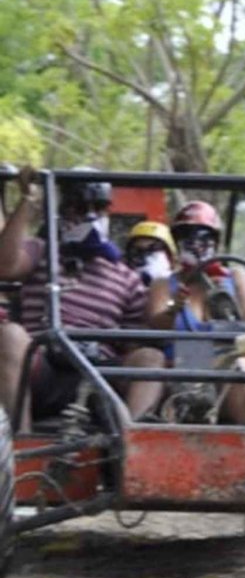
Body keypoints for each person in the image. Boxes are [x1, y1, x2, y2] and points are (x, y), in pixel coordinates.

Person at [0, 175, 167, 427]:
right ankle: (21, 446)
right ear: (63, 211)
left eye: (98, 208)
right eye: (79, 207)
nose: (90, 216)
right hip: (42, 368)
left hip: (101, 375)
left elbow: (134, 343)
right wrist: (28, 200)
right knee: (10, 335)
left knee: (151, 357)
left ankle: (132, 447)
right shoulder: (43, 251)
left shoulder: (125, 275)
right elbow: (5, 265)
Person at [157, 201, 245, 424]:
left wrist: (224, 300)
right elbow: (153, 324)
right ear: (177, 242)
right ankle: (194, 422)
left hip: (232, 357)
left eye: (204, 236)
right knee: (196, 355)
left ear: (215, 241)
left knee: (238, 362)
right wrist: (173, 307)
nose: (196, 243)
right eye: (187, 235)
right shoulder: (165, 284)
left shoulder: (235, 276)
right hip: (182, 363)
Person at [124, 221, 177, 286]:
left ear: (168, 255)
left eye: (152, 250)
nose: (144, 257)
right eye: (138, 251)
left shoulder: (176, 287)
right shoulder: (123, 280)